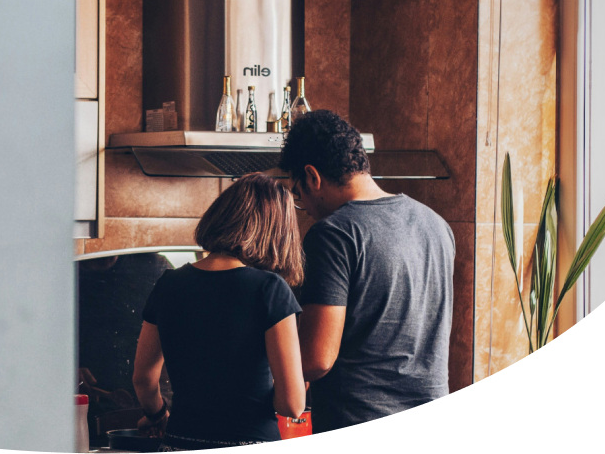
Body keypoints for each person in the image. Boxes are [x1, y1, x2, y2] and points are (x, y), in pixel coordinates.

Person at [278, 110, 455, 434]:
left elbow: (316, 359)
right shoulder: (435, 225)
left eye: (299, 195)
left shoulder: (334, 234)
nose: (306, 210)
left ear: (313, 177)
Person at [131, 173, 307, 452]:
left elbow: (143, 378)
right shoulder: (270, 289)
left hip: (179, 442)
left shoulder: (168, 284)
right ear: (276, 231)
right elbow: (292, 405)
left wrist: (158, 415)